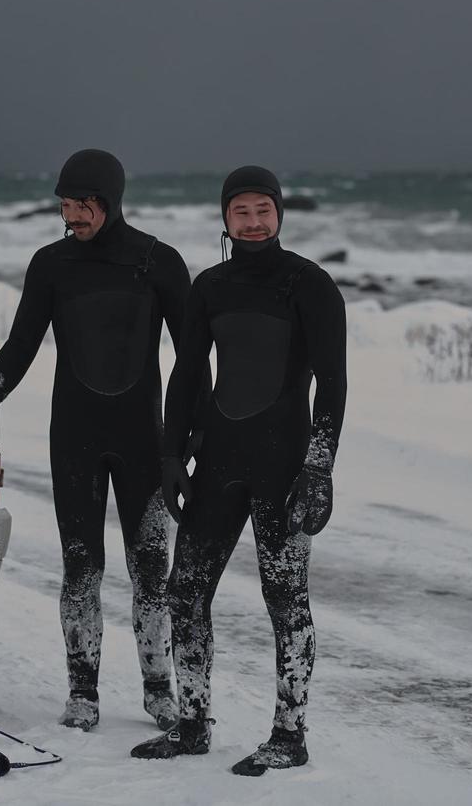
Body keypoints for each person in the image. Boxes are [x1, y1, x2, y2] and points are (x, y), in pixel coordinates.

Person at [0, 148, 195, 732]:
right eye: (65, 206)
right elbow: (23, 343)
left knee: (150, 568)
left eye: (82, 206)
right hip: (76, 438)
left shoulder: (158, 263)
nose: (73, 217)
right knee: (81, 567)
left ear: (108, 202)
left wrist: (189, 441)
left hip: (145, 438)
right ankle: (82, 691)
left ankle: (159, 688)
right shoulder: (52, 265)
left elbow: (193, 360)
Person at [130, 165, 347, 776]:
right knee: (185, 591)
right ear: (224, 218)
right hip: (220, 459)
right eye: (240, 212)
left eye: (263, 210)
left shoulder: (311, 285)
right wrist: (173, 454)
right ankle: (193, 722)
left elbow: (333, 386)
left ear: (279, 214)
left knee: (285, 598)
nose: (253, 222)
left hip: (285, 464)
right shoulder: (211, 287)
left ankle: (290, 732)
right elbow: (189, 373)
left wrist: (318, 468)